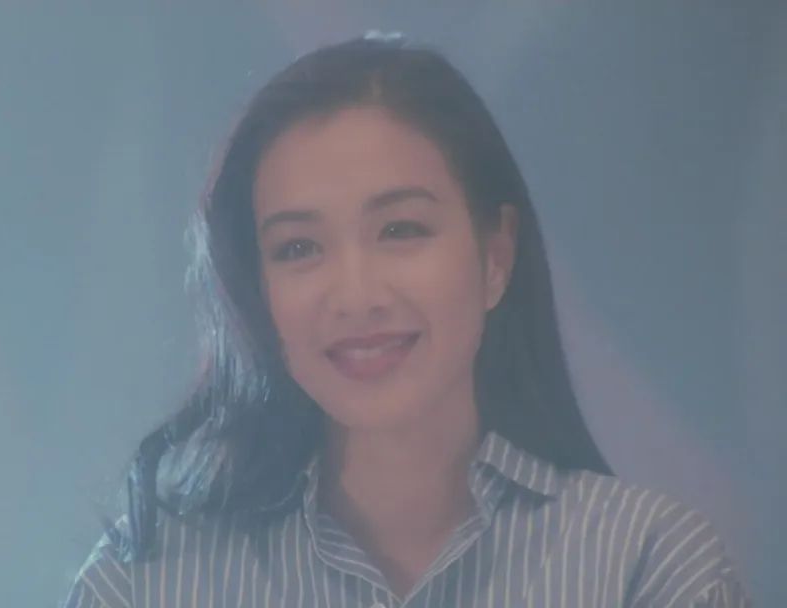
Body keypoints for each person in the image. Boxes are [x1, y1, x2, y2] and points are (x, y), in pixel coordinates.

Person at [62, 34, 749, 607]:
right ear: (257, 290)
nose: (355, 295)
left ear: (495, 258)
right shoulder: (145, 582)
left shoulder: (647, 567)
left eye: (401, 230)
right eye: (298, 248)